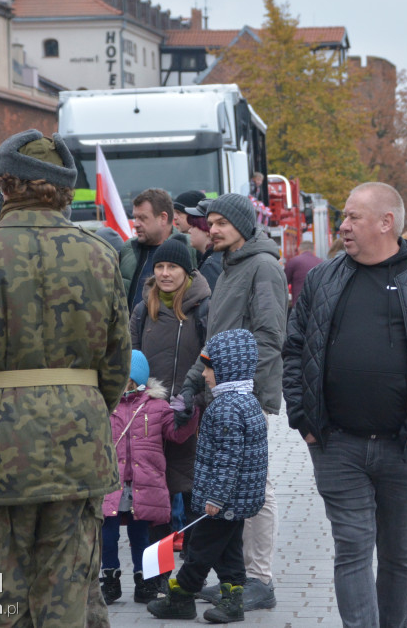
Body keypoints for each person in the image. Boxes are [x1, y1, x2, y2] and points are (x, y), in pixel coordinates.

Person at [0, 130, 132, 626]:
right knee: (69, 593)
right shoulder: (101, 253)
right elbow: (116, 363)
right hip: (82, 441)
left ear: (4, 184)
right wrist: (84, 408)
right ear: (64, 190)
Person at [283, 181, 407, 628]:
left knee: (399, 555)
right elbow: (294, 350)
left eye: (353, 217)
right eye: (345, 218)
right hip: (336, 444)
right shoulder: (322, 278)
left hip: (405, 446)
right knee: (351, 550)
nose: (343, 226)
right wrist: (303, 419)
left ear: (386, 223)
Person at [179, 192, 288, 611]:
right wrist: (192, 384)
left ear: (243, 225)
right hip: (222, 393)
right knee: (240, 483)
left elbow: (269, 336)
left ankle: (259, 579)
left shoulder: (263, 267)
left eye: (222, 222)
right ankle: (238, 579)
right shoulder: (230, 268)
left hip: (246, 396)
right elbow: (214, 344)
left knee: (255, 484)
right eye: (212, 222)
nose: (214, 228)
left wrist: (237, 390)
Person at [147, 329, 269, 623]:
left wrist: (216, 496)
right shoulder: (246, 400)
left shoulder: (226, 408)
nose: (203, 374)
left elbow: (228, 459)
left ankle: (181, 597)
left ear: (227, 368)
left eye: (208, 367)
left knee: (200, 550)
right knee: (229, 552)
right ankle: (232, 600)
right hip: (236, 501)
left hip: (221, 501)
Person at [130, 238, 212, 564]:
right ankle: (157, 577)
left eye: (172, 267)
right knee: (156, 499)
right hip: (152, 415)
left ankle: (191, 576)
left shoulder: (203, 306)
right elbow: (133, 358)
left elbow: (210, 360)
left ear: (186, 271)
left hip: (193, 415)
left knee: (193, 493)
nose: (165, 273)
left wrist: (195, 400)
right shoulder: (142, 309)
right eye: (160, 267)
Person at [101, 350, 200, 605]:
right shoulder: (106, 405)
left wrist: (189, 416)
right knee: (107, 533)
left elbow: (176, 434)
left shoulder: (156, 406)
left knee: (142, 536)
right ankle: (109, 577)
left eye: (129, 380)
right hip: (113, 484)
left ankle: (144, 580)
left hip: (145, 484)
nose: (125, 385)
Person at [121, 188, 195, 311]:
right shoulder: (128, 249)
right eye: (135, 218)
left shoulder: (190, 246)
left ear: (163, 218)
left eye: (142, 218)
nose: (135, 224)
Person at [184, 198, 223, 291]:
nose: (189, 231)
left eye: (193, 226)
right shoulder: (213, 258)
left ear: (206, 229)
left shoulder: (211, 265)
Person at [284, 240, 323, 308]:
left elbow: (284, 281)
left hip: (299, 304)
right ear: (314, 250)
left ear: (299, 249)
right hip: (318, 304)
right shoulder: (321, 262)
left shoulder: (294, 261)